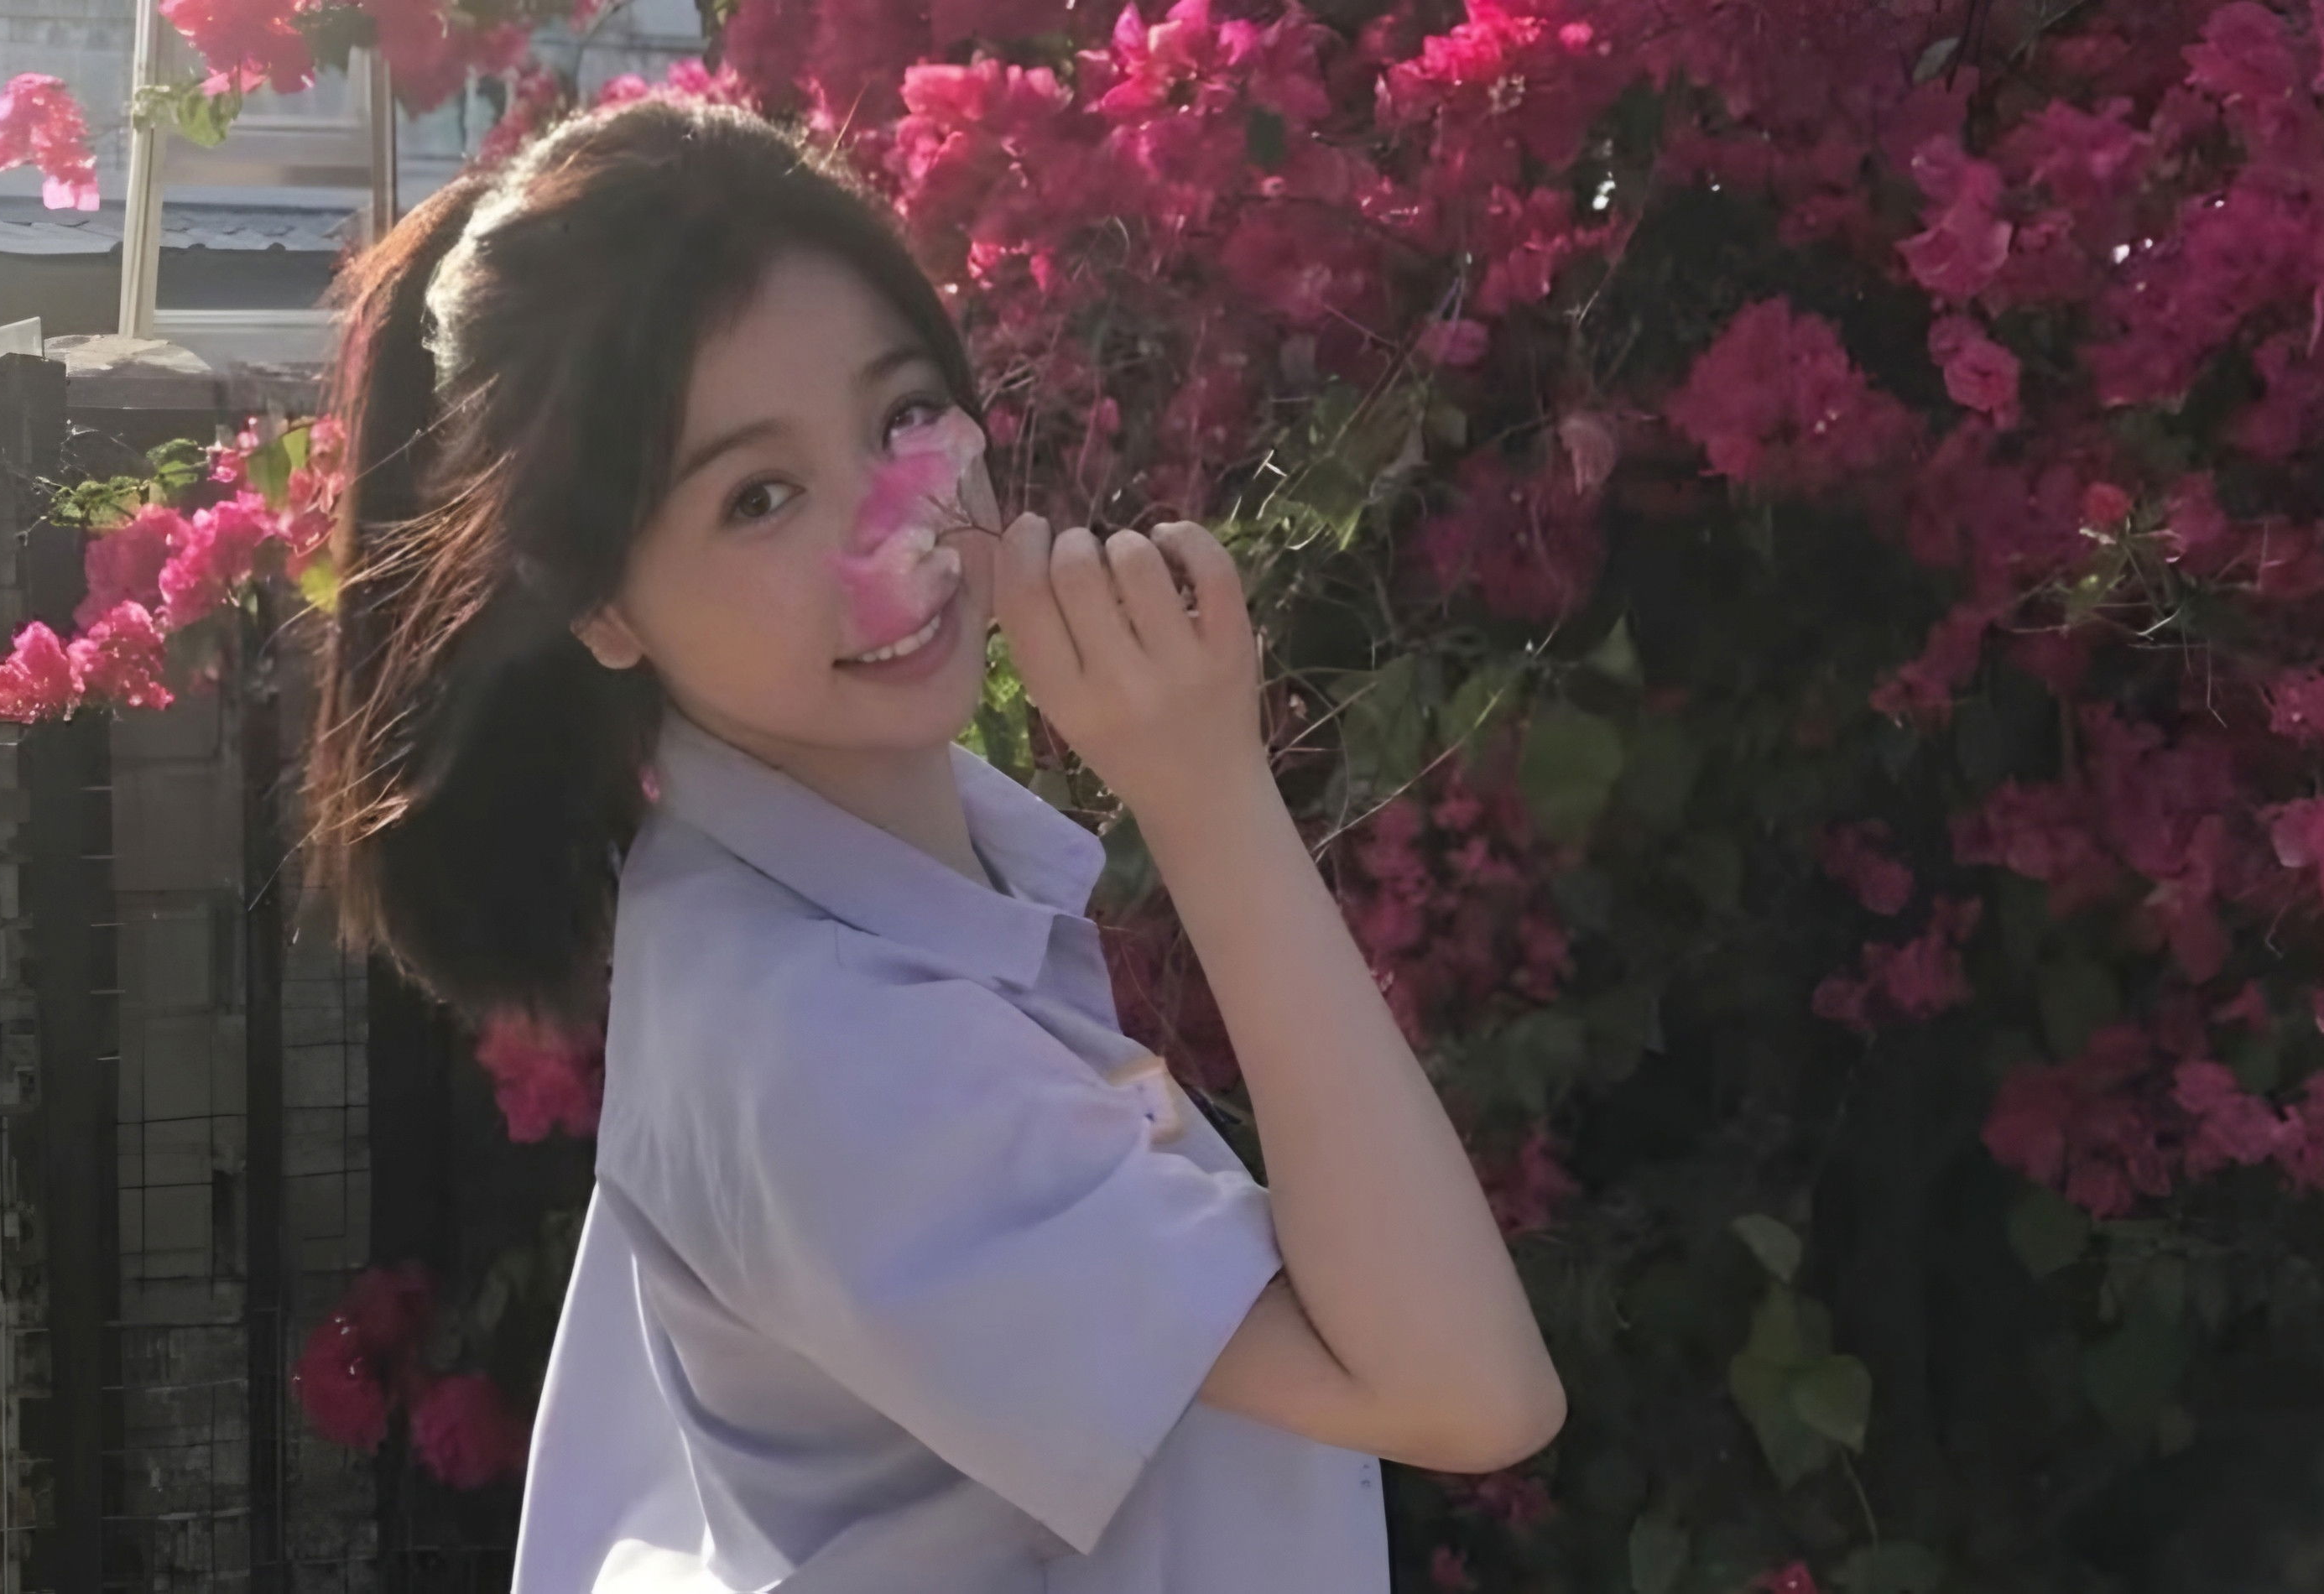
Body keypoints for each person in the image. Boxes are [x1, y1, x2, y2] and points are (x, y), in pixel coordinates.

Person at [302, 95, 1563, 1593]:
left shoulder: (806, 919)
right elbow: (1464, 1392)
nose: (895, 527)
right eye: (759, 497)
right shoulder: (826, 1041)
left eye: (904, 416)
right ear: (598, 604)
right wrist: (1212, 799)